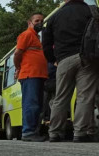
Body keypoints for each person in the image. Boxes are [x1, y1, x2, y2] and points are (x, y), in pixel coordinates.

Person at [43, 0, 99, 142]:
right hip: (87, 58)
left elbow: (46, 43)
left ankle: (54, 132)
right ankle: (80, 133)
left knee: (61, 97)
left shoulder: (55, 16)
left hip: (63, 60)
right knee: (84, 97)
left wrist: (53, 59)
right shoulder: (90, 10)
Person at [14, 12, 48, 142]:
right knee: (31, 104)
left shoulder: (37, 38)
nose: (40, 23)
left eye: (42, 21)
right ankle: (28, 132)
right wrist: (18, 68)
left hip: (39, 75)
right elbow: (17, 54)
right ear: (30, 23)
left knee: (37, 105)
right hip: (30, 75)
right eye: (37, 21)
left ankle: (33, 132)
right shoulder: (26, 34)